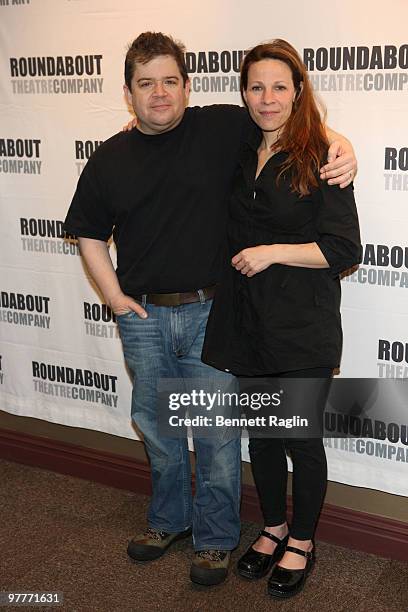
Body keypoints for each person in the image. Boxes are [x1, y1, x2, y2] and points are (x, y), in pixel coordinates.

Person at [64, 32, 357, 587]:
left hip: (213, 314)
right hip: (145, 319)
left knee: (218, 432)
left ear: (187, 86)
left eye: (169, 81)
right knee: (160, 426)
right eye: (145, 84)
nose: (158, 94)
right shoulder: (110, 157)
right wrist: (115, 298)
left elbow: (293, 119)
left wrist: (340, 141)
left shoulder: (221, 126)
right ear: (129, 93)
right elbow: (86, 232)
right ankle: (169, 522)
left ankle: (220, 538)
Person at [202, 39, 362, 598]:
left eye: (278, 86)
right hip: (246, 323)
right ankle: (271, 528)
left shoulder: (324, 155)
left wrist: (273, 250)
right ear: (244, 92)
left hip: (302, 325)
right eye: (255, 86)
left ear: (298, 91)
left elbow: (343, 250)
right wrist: (133, 132)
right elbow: (173, 123)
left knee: (299, 438)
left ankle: (302, 540)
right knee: (264, 439)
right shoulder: (241, 146)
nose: (267, 98)